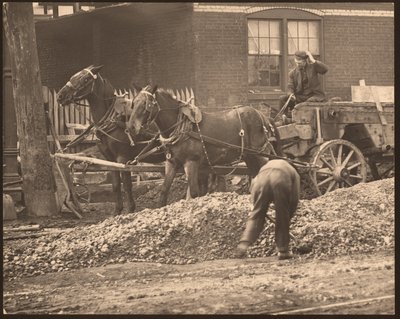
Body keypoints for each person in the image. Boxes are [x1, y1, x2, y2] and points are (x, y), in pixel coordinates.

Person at [234, 159, 300, 260]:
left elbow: (253, 190)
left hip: (260, 179)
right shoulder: (294, 173)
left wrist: (256, 206)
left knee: (256, 214)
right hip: (281, 178)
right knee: (282, 215)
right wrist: (286, 216)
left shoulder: (268, 165)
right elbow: (293, 201)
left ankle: (243, 245)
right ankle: (283, 251)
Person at [278, 50, 328, 122]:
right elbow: (290, 86)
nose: (298, 65)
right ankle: (283, 119)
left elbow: (325, 70)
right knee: (282, 98)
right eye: (296, 63)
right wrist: (291, 94)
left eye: (300, 63)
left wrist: (313, 60)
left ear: (305, 61)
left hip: (314, 95)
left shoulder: (313, 67)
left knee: (306, 103)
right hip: (301, 96)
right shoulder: (293, 73)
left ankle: (295, 119)